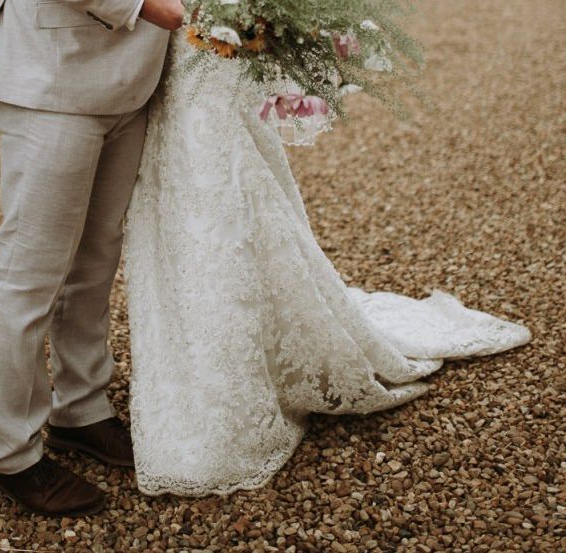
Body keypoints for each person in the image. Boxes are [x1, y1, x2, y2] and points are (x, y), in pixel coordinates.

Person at [123, 32, 532, 496]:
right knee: (185, 202)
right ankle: (196, 361)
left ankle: (225, 389)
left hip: (208, 55)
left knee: (224, 196)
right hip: (166, 54)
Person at [0, 0, 183, 516]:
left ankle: (81, 410)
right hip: (52, 71)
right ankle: (8, 451)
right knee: (27, 273)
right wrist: (147, 6)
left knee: (95, 259)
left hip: (134, 76)